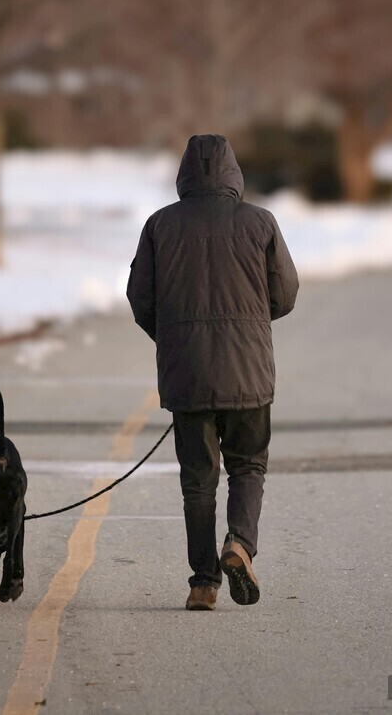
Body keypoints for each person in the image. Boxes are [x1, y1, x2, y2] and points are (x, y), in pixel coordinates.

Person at [127, 134, 299, 611]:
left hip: (188, 375)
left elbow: (141, 299)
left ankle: (203, 583)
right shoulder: (259, 222)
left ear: (185, 173)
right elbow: (284, 294)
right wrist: (250, 322)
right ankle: (239, 545)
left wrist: (176, 338)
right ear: (232, 173)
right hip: (248, 370)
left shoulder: (160, 225)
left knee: (198, 479)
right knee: (247, 465)